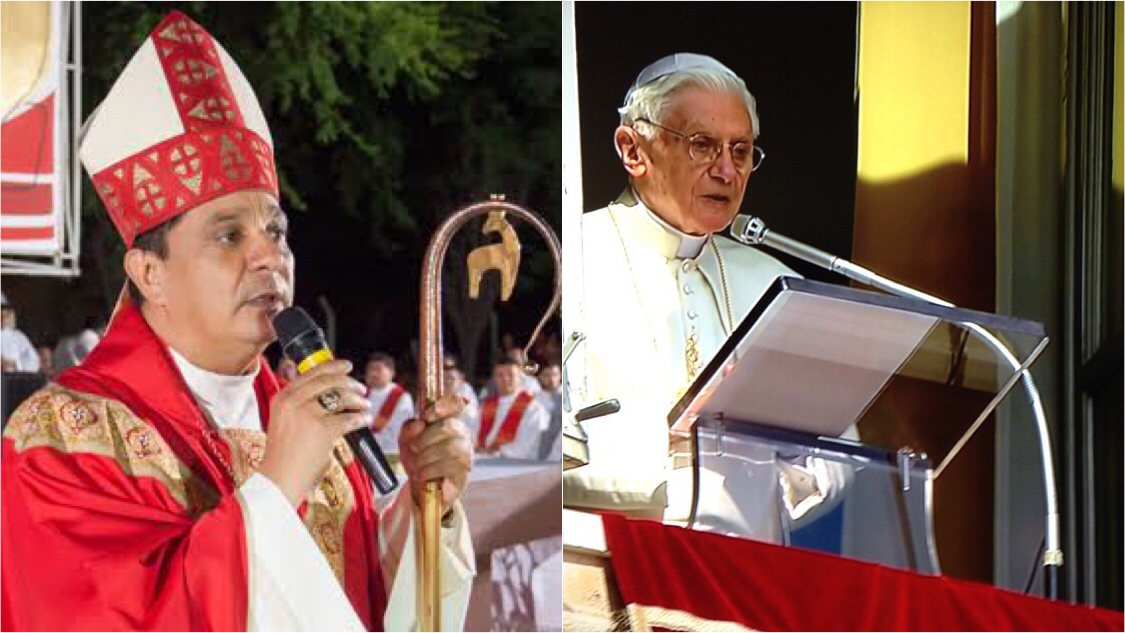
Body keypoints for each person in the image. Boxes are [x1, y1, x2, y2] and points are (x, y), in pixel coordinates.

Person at [1, 12, 474, 631]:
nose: (269, 256)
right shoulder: (61, 438)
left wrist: (423, 508)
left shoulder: (314, 427)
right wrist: (276, 484)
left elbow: (355, 604)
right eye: (229, 235)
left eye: (276, 230)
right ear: (150, 274)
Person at [565, 53, 853, 539]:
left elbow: (840, 447)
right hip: (601, 568)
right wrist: (676, 455)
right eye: (702, 145)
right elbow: (535, 442)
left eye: (740, 151)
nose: (726, 170)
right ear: (633, 150)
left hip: (743, 578)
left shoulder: (775, 285)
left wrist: (770, 458)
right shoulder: (569, 260)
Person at [477, 355, 549, 460]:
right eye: (500, 375)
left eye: (511, 375)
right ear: (494, 379)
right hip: (482, 461)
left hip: (516, 466)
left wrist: (492, 452)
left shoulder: (533, 409)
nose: (505, 379)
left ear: (520, 377)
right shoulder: (485, 406)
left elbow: (524, 448)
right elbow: (472, 435)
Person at [364, 352, 416, 459]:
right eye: (370, 369)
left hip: (390, 455)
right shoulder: (361, 393)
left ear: (392, 373)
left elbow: (398, 433)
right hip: (365, 453)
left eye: (378, 369)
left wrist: (365, 440)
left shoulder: (401, 397)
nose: (373, 373)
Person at [0, 292, 40, 373]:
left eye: (5, 314)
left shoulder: (18, 336)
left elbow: (34, 361)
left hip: (15, 380)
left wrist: (15, 364)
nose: (3, 318)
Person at [535, 362, 563, 460]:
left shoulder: (567, 397)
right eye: (546, 375)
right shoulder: (534, 399)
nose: (551, 379)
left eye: (555, 375)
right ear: (539, 377)